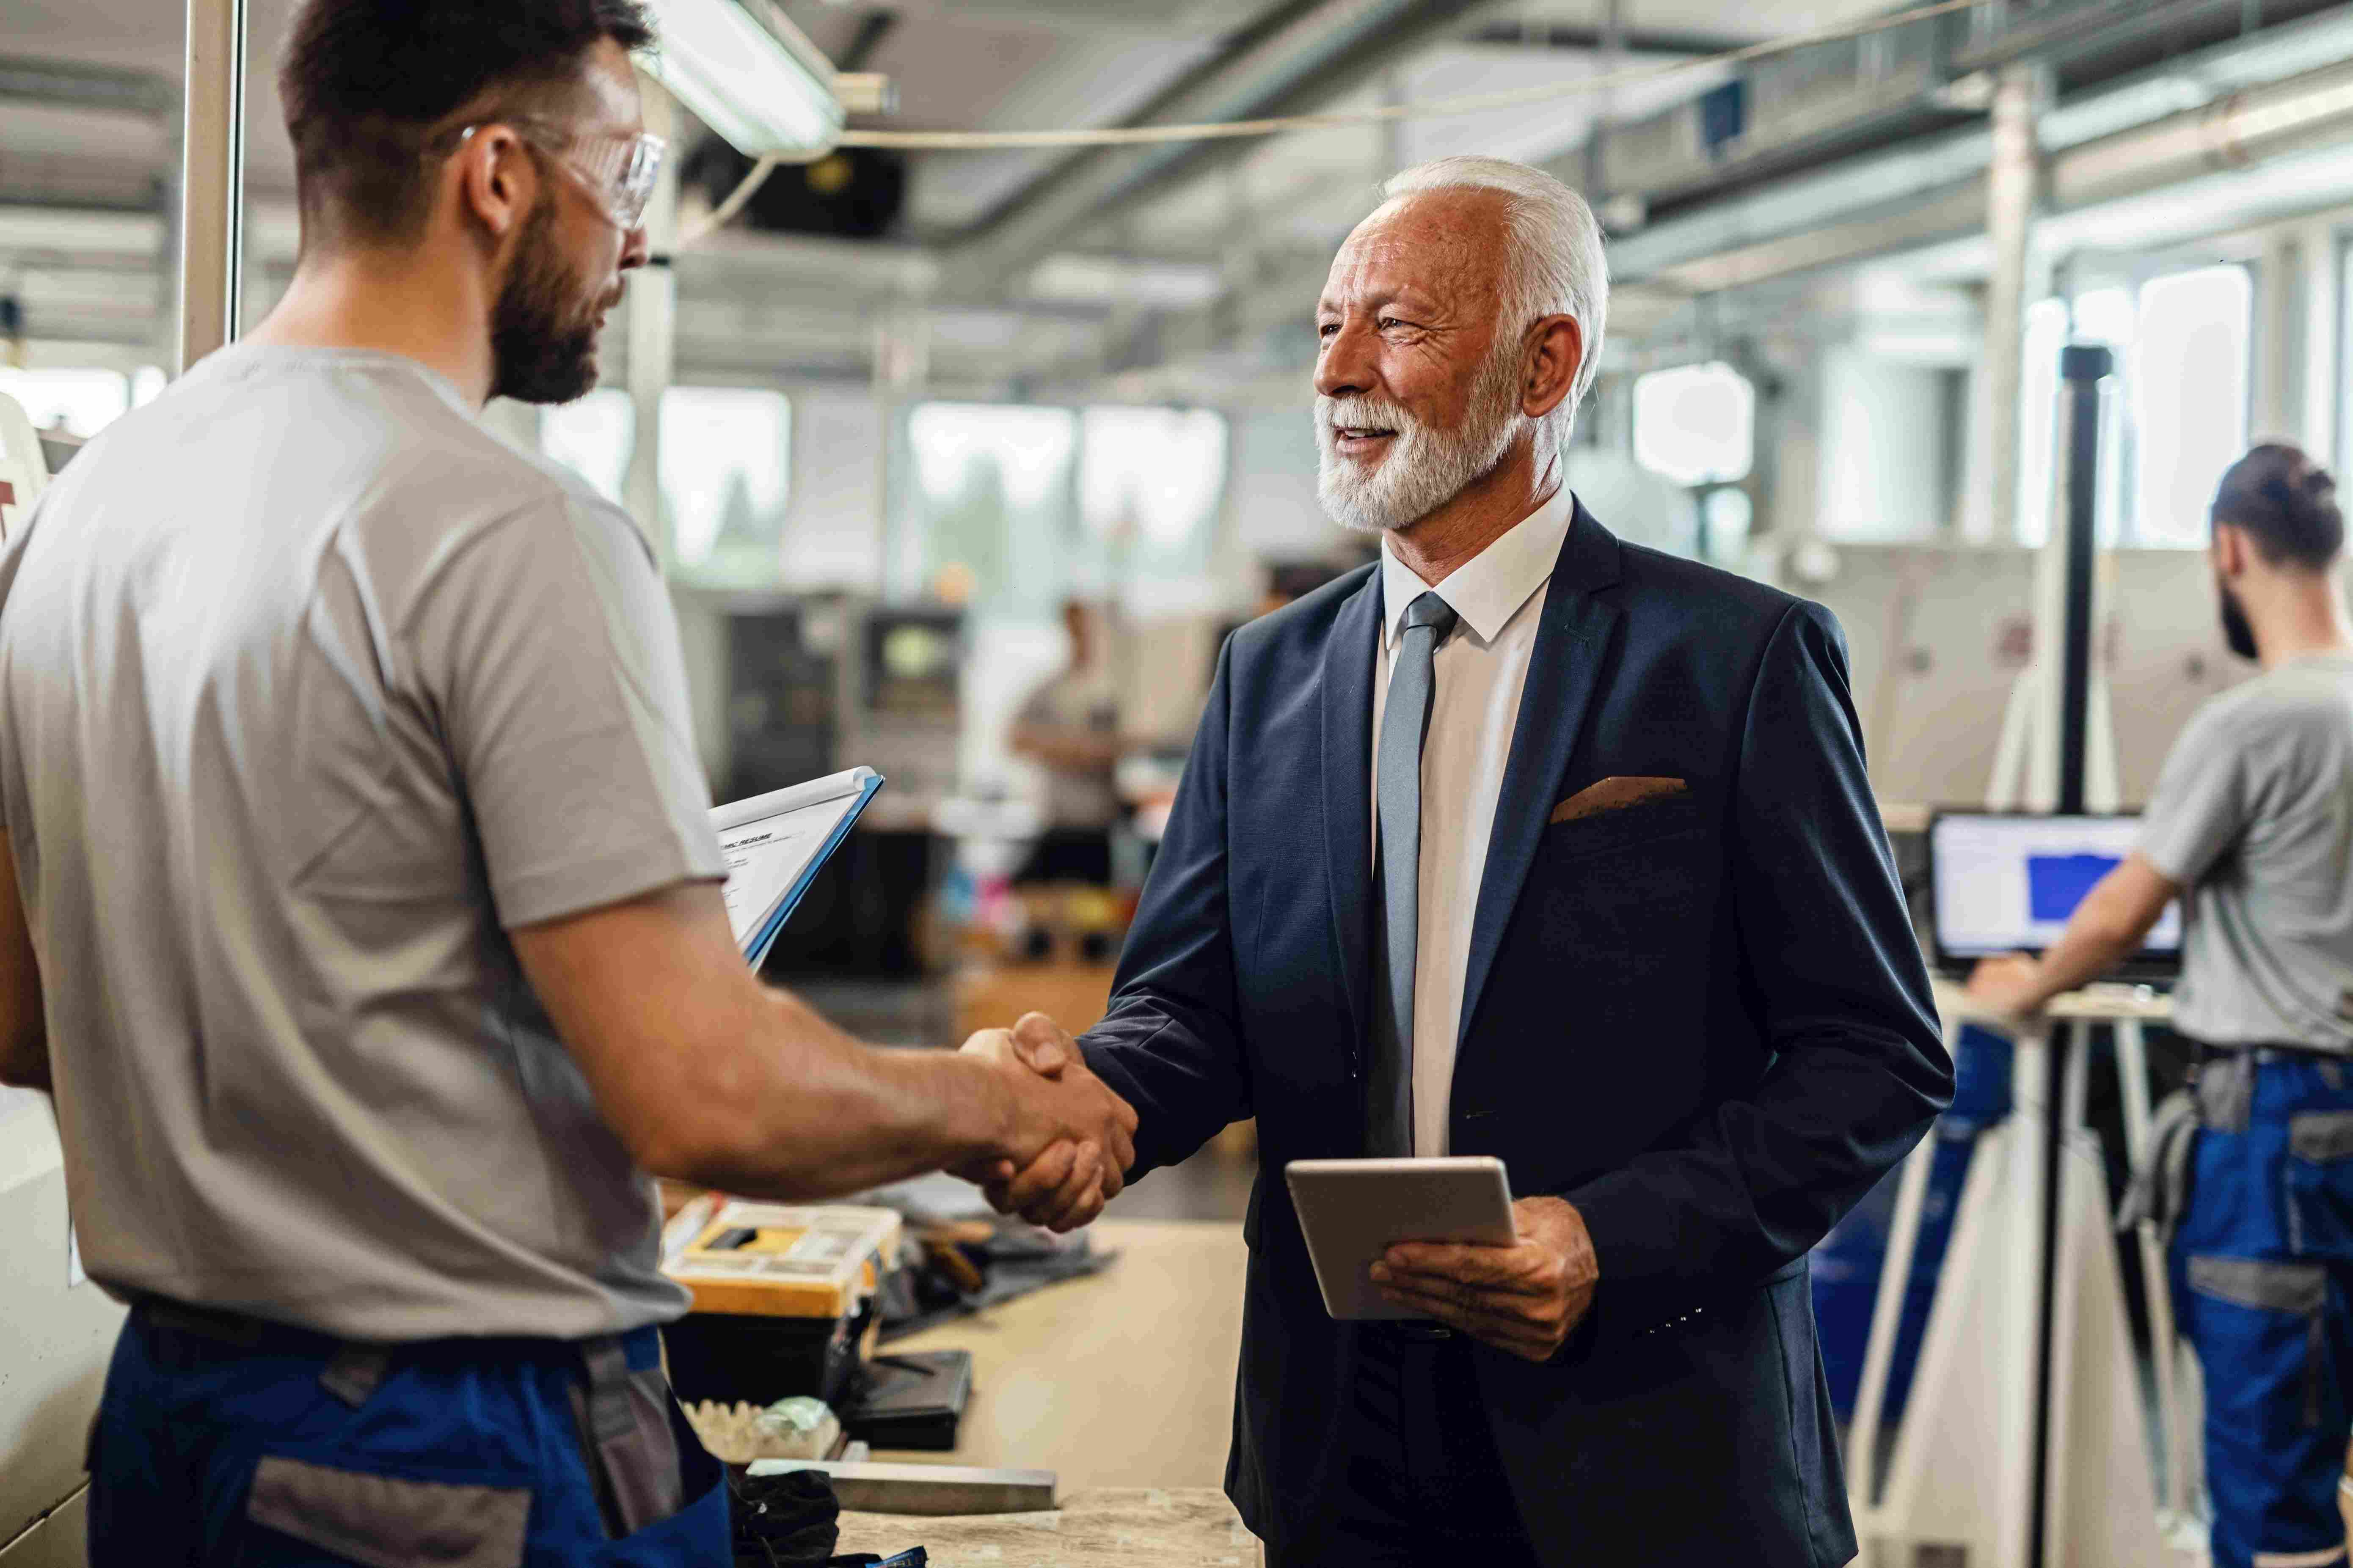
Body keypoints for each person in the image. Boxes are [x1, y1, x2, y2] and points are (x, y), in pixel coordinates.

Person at [0, 2, 1132, 1560]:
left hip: (174, 1425)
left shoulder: (80, 513)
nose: (639, 237)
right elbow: (702, 1085)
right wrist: (985, 1103)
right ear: (498, 178)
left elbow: (13, 1006)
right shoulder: (505, 523)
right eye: (629, 167)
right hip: (450, 1450)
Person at [984, 155, 1953, 1565]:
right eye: (1326, 327)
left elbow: (1877, 1055)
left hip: (1644, 1429)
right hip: (1341, 1435)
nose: (1339, 372)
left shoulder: (1733, 663)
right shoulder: (1270, 675)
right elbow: (1192, 1009)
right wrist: (1094, 1101)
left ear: (1545, 362)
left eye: (1397, 324)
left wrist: (1608, 1239)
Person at [1968, 443, 2353, 1568]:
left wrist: (2023, 984)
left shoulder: (2255, 725)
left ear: (2229, 550)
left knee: (2269, 1470)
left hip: (2275, 1132)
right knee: (2325, 1461)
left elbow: (2123, 912)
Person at [1008, 597, 1130, 885]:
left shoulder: (1113, 688)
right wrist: (1074, 749)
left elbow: (1130, 743)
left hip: (1098, 825)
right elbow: (1015, 738)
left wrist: (1092, 750)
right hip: (1058, 819)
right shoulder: (1053, 687)